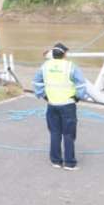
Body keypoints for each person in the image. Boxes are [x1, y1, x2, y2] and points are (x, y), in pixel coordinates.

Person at [33, 42, 90, 170]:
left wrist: (43, 95)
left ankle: (56, 161)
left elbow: (36, 82)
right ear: (64, 54)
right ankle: (69, 163)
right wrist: (78, 97)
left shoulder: (45, 66)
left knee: (54, 132)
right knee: (69, 134)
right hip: (68, 105)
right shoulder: (71, 66)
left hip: (52, 104)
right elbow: (81, 84)